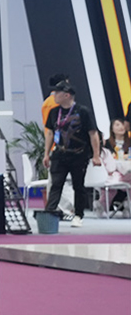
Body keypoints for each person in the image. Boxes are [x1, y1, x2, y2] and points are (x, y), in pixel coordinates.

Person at [43, 82, 102, 227]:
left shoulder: (83, 111)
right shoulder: (54, 112)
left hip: (79, 154)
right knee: (56, 184)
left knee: (78, 186)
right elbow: (50, 133)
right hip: (59, 153)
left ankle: (78, 215)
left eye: (57, 93)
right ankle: (50, 212)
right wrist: (46, 153)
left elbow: (93, 134)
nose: (54, 96)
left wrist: (96, 155)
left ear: (66, 95)